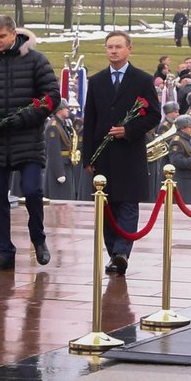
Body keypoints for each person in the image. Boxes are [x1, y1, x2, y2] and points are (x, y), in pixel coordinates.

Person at [0, 14, 61, 271]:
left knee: (31, 190)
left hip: (27, 138)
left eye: (2, 37)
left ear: (14, 33)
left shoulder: (36, 60)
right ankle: (4, 250)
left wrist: (23, 118)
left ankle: (38, 238)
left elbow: (51, 96)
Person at [79, 29, 163, 276]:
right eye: (109, 47)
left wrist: (128, 130)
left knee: (127, 204)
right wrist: (88, 157)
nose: (113, 51)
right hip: (103, 158)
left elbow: (153, 115)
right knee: (107, 208)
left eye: (118, 47)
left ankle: (121, 253)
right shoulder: (96, 81)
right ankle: (114, 253)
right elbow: (90, 121)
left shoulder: (142, 79)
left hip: (129, 154)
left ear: (129, 49)